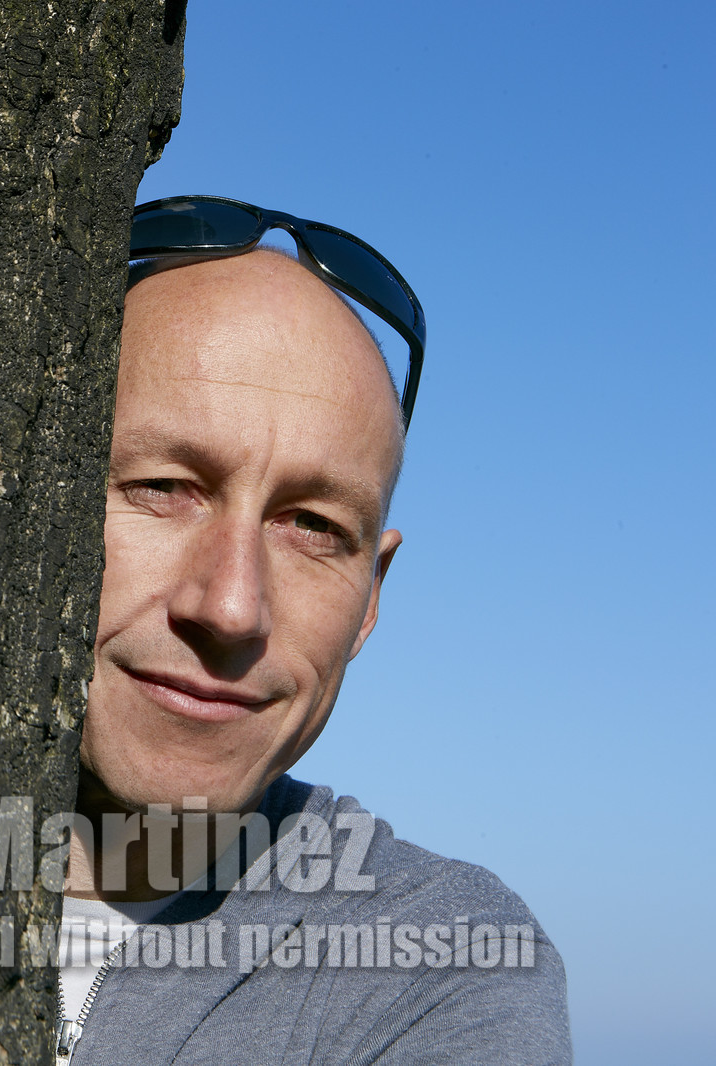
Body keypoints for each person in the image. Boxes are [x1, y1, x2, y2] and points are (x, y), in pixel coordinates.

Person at [54, 196, 570, 1065]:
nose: (230, 607)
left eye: (315, 527)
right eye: (164, 486)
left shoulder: (440, 969)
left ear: (371, 595)